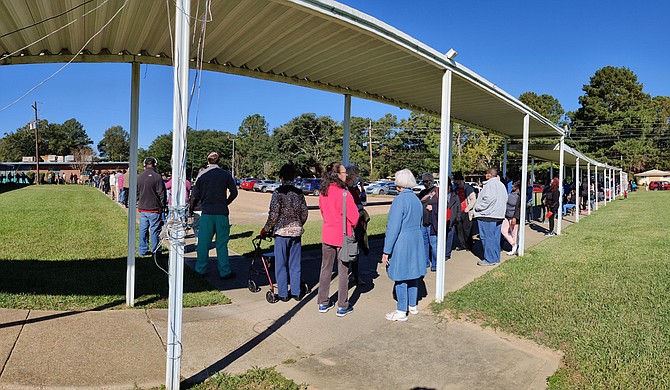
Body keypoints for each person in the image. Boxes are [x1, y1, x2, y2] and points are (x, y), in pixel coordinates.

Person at [381, 169, 426, 321]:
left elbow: (393, 227)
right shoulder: (416, 200)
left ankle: (401, 310)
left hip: (402, 240)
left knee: (400, 276)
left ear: (398, 184)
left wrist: (386, 250)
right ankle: (412, 306)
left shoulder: (399, 200)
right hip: (416, 239)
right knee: (413, 274)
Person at [260, 164, 308, 301]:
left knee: (281, 264)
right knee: (295, 263)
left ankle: (283, 294)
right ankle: (296, 292)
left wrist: (266, 229)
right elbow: (304, 212)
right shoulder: (299, 193)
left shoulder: (278, 193)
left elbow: (274, 214)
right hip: (296, 232)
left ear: (281, 177)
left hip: (281, 232)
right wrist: (299, 224)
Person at [317, 162, 359, 317]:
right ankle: (342, 305)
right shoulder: (344, 193)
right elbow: (354, 217)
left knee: (325, 269)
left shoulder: (323, 192)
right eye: (343, 172)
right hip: (342, 235)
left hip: (327, 233)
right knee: (343, 271)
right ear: (337, 174)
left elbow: (322, 210)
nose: (346, 174)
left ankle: (323, 301)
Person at [190, 151, 238, 279]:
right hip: (222, 212)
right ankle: (224, 271)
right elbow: (234, 192)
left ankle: (200, 269)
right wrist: (226, 202)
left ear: (208, 161)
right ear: (218, 161)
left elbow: (194, 195)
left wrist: (191, 208)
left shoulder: (202, 174)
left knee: (203, 243)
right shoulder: (225, 174)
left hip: (207, 212)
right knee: (222, 243)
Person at [473, 167, 507, 266]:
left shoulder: (490, 184)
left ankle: (489, 259)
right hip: (498, 214)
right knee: (495, 238)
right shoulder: (501, 185)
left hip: (487, 215)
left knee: (487, 238)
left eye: (486, 173)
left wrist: (478, 207)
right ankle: (495, 258)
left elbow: (488, 198)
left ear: (489, 174)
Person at [137, 157, 167, 256]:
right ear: (155, 164)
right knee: (155, 230)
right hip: (154, 208)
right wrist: (163, 206)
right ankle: (156, 250)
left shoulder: (139, 177)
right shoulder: (157, 177)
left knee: (143, 229)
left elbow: (136, 193)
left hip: (142, 207)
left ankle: (142, 250)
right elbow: (161, 194)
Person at [417, 173, 439, 272]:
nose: (426, 184)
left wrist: (433, 208)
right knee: (423, 243)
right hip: (422, 222)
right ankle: (425, 262)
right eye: (424, 182)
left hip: (432, 222)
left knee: (434, 244)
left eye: (428, 182)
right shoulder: (422, 193)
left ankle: (436, 264)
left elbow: (445, 205)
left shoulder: (438, 191)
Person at [453, 171, 476, 250]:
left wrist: (467, 209)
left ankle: (469, 245)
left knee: (467, 230)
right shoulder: (455, 189)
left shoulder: (468, 188)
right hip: (458, 212)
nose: (456, 183)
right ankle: (462, 245)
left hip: (466, 211)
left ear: (461, 180)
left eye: (457, 181)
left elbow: (473, 199)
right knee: (459, 230)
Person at [502, 181, 522, 256]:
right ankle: (514, 245)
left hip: (513, 217)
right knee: (504, 231)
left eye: (514, 185)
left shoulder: (518, 197)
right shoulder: (509, 195)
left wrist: (515, 218)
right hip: (506, 216)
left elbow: (517, 208)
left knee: (514, 233)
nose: (512, 186)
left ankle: (514, 248)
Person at [445, 177, 461, 260]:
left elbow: (458, 208)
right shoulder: (439, 195)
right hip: (443, 220)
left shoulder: (454, 196)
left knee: (450, 237)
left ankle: (447, 253)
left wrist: (457, 218)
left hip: (451, 220)